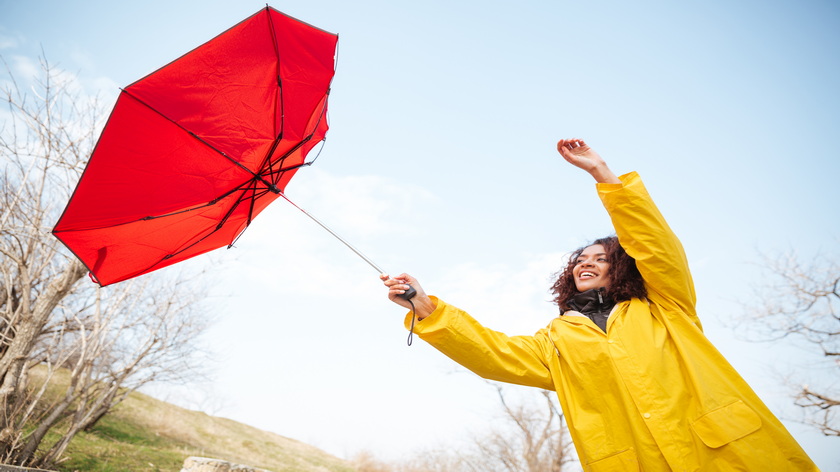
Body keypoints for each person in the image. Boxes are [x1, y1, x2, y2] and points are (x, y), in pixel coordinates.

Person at [381, 139, 817, 471]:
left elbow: (656, 246)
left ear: (622, 268)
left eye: (600, 259)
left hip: (731, 455)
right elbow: (492, 354)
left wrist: (603, 174)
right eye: (580, 260)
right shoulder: (558, 340)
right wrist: (425, 306)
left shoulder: (665, 304)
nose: (585, 264)